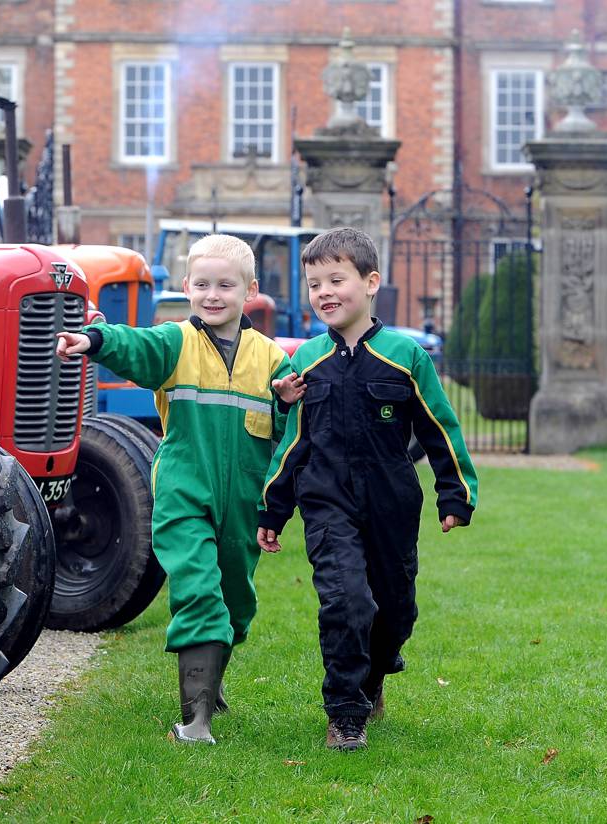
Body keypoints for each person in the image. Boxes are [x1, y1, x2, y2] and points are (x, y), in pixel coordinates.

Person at [56, 234, 304, 745]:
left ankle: (211, 687)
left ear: (250, 291)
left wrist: (283, 402)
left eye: (226, 285)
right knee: (197, 590)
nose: (213, 295)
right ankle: (196, 720)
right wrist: (97, 341)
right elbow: (137, 347)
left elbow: (288, 427)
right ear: (187, 286)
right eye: (203, 284)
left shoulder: (271, 359)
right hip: (184, 494)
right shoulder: (177, 344)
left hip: (242, 503)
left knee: (235, 601)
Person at [257, 227, 478, 751]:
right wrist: (273, 508)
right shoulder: (305, 360)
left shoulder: (406, 356)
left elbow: (439, 428)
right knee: (347, 602)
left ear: (371, 282)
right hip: (326, 500)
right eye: (314, 284)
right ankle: (345, 713)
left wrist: (456, 493)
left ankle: (376, 674)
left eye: (337, 279)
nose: (324, 292)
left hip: (391, 502)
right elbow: (292, 442)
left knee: (396, 609)